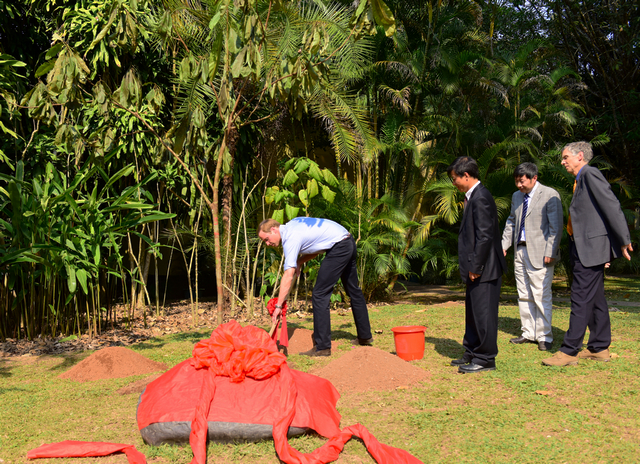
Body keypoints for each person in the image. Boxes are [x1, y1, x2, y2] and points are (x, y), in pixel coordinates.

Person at [542, 141, 633, 366]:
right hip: (582, 246)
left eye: (565, 157)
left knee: (580, 297)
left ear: (579, 156)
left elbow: (611, 205)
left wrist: (623, 239)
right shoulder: (580, 179)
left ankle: (569, 351)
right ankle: (599, 347)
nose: (562, 162)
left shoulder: (590, 173)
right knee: (595, 298)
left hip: (590, 248)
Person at [258, 217, 373, 357]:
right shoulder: (293, 224)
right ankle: (365, 336)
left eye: (266, 239)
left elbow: (288, 275)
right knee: (353, 290)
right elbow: (318, 246)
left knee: (319, 294)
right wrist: (300, 261)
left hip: (339, 247)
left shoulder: (290, 238)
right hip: (347, 241)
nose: (268, 243)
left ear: (273, 229)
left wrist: (278, 306)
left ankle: (322, 347)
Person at [448, 157, 507, 373]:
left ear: (466, 175)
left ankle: (485, 358)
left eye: (454, 179)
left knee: (484, 315)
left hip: (485, 268)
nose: (453, 183)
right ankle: (472, 351)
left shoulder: (481, 197)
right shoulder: (471, 196)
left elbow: (484, 236)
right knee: (473, 313)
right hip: (477, 267)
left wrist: (476, 266)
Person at [502, 162, 562, 351]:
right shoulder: (516, 196)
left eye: (522, 181)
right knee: (524, 294)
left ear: (534, 178)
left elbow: (556, 227)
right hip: (520, 251)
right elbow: (512, 221)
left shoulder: (550, 194)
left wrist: (550, 252)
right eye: (516, 182)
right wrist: (503, 245)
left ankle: (544, 336)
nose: (519, 185)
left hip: (541, 253)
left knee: (541, 294)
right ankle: (528, 332)